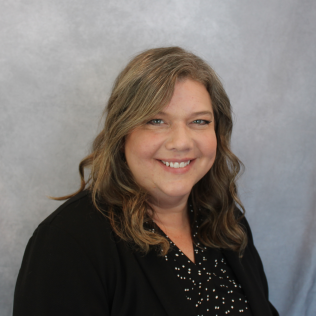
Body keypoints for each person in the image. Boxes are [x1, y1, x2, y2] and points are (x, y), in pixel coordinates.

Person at [13, 47, 279, 316]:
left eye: (199, 121)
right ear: (122, 133)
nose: (181, 142)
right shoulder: (68, 241)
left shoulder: (227, 221)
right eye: (156, 121)